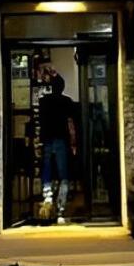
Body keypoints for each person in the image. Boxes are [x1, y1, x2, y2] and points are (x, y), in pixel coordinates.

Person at [37, 73, 79, 223]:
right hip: (61, 139)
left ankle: (47, 198)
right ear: (62, 87)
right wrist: (74, 142)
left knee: (47, 170)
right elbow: (72, 123)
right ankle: (61, 208)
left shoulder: (43, 102)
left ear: (51, 86)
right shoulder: (67, 102)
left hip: (47, 139)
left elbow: (39, 121)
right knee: (63, 175)